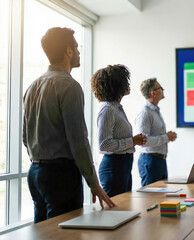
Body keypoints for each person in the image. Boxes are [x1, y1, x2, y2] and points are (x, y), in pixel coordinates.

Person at [23, 27, 115, 223]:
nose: (79, 51)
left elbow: (25, 135)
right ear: (68, 51)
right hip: (61, 176)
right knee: (65, 234)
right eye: (76, 46)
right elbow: (78, 140)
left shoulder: (32, 86)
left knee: (43, 234)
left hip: (35, 173)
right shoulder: (70, 86)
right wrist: (94, 183)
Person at [91, 64, 146, 197]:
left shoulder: (116, 108)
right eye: (124, 80)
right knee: (116, 212)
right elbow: (104, 144)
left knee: (124, 210)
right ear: (116, 85)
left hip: (123, 166)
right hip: (114, 167)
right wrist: (132, 141)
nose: (128, 83)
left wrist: (133, 141)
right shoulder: (108, 109)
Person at [135, 78, 177, 186]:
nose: (163, 89)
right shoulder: (145, 113)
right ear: (153, 93)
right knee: (150, 199)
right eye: (160, 88)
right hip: (150, 160)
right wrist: (166, 137)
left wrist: (167, 136)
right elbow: (143, 140)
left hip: (160, 160)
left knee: (161, 199)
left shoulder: (155, 111)